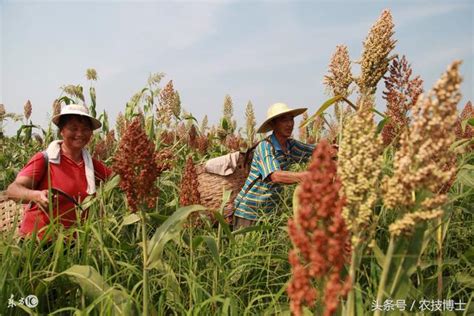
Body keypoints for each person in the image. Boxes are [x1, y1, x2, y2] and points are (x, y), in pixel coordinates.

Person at [7, 104, 112, 239]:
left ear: (91, 133)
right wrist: (36, 196)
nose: (79, 134)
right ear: (62, 131)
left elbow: (120, 181)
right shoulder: (44, 159)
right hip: (39, 243)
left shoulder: (91, 165)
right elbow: (12, 191)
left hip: (75, 245)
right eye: (73, 128)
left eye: (85, 129)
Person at [233, 102, 315, 229]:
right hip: (249, 212)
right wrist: (305, 176)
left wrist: (333, 149)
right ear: (273, 124)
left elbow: (316, 150)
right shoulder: (265, 146)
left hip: (270, 213)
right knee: (244, 248)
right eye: (283, 120)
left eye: (291, 119)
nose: (289, 124)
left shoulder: (291, 145)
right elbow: (275, 176)